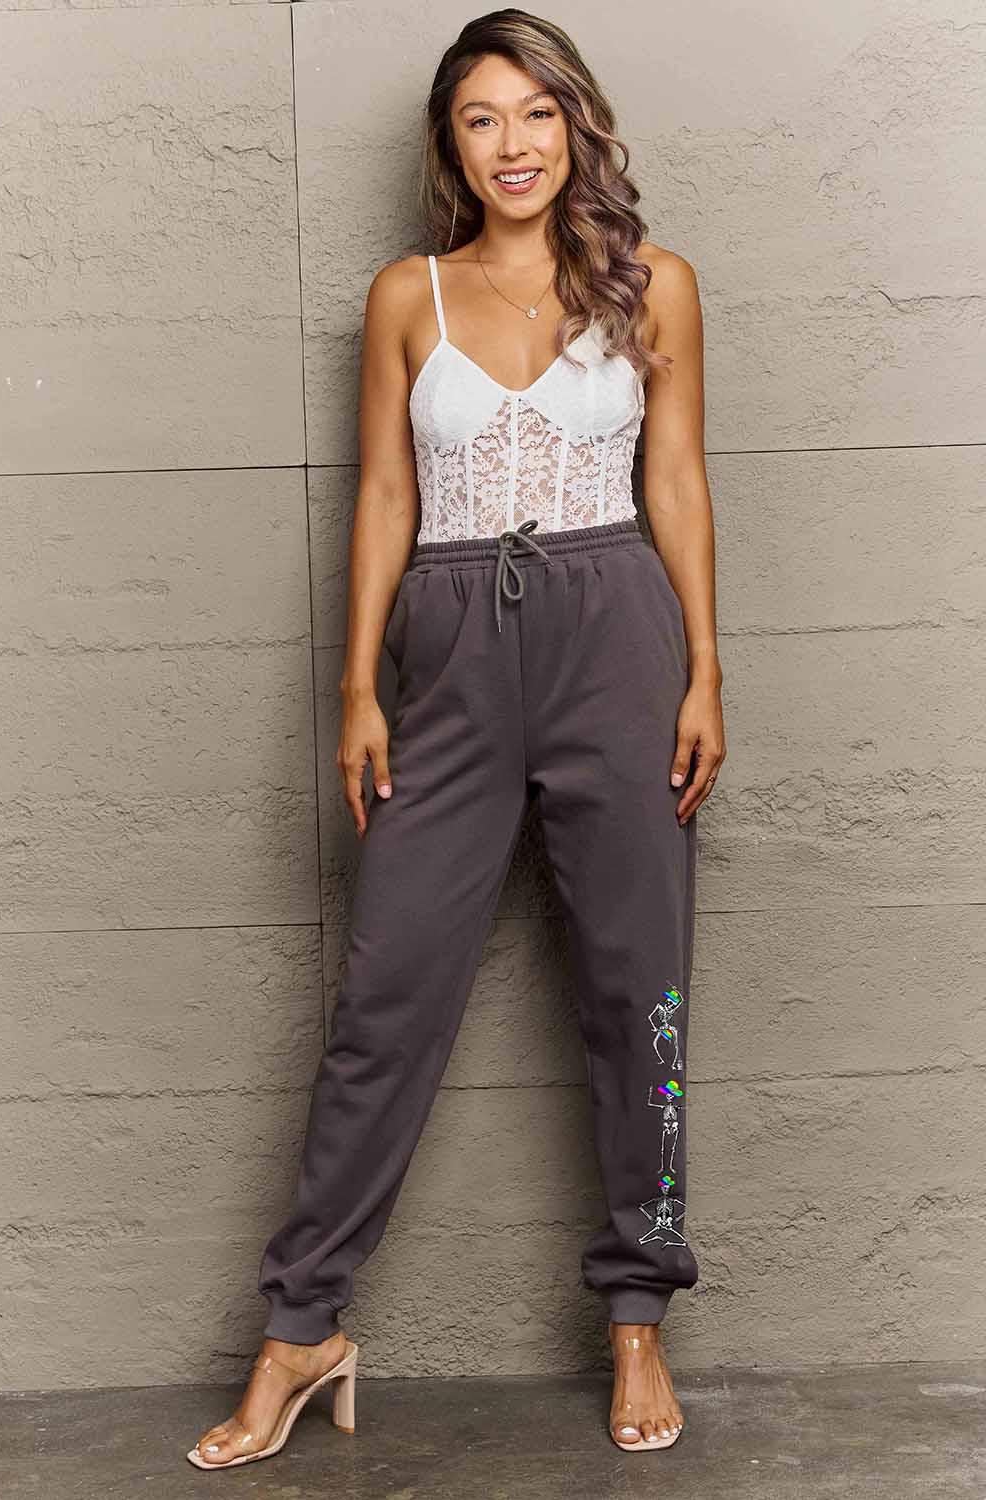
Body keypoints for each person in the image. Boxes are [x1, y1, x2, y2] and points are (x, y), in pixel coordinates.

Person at [188, 7, 726, 1470]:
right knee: (387, 998)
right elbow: (384, 497)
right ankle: (303, 1326)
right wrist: (358, 690)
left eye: (536, 113)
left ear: (577, 125)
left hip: (618, 636)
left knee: (640, 990)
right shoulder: (405, 295)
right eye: (482, 118)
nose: (513, 144)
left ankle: (637, 1313)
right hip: (449, 654)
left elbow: (677, 480)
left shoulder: (656, 284)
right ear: (451, 145)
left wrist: (703, 671)